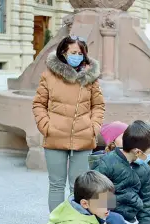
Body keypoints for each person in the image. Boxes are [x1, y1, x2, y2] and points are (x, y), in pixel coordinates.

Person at [32, 35, 105, 213]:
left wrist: (93, 127)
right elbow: (38, 104)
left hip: (83, 137)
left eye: (80, 53)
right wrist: (46, 126)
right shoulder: (49, 75)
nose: (77, 56)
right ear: (64, 53)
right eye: (74, 52)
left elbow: (99, 106)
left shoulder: (90, 77)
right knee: (56, 184)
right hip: (55, 136)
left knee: (79, 186)